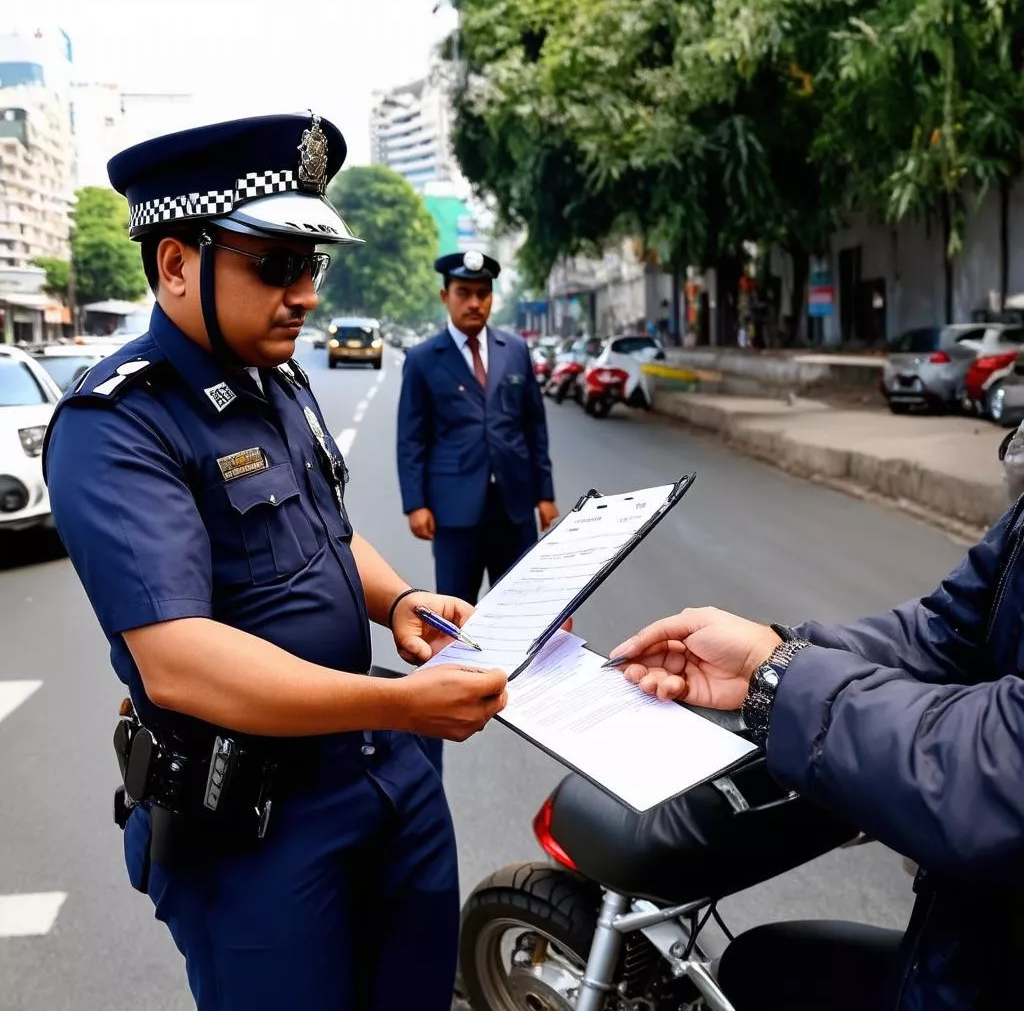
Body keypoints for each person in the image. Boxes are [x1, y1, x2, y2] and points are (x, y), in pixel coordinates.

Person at [43, 112, 508, 1011]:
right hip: (255, 825)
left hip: (384, 776)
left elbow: (326, 530)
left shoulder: (280, 385)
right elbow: (175, 661)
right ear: (176, 263)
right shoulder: (119, 423)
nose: (303, 294)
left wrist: (399, 601)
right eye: (274, 264)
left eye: (312, 266)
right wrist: (401, 700)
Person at [608, 502, 1024, 1008]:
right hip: (968, 938)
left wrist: (782, 677)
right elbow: (947, 633)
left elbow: (1001, 766)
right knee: (760, 968)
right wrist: (776, 654)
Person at [396, 251, 558, 772]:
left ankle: (535, 709)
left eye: (483, 293)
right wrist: (415, 502)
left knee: (525, 616)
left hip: (513, 507)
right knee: (452, 627)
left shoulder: (515, 352)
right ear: (446, 296)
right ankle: (445, 714)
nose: (474, 302)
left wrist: (544, 494)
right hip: (454, 513)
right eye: (464, 293)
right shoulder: (424, 359)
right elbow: (412, 437)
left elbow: (534, 428)